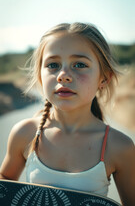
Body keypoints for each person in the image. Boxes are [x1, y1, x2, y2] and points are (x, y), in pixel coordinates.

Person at [0, 23, 135, 205]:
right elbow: (5, 189)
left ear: (103, 78)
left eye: (79, 64)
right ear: (40, 76)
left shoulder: (118, 146)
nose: (63, 75)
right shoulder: (25, 133)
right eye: (53, 64)